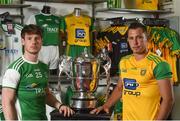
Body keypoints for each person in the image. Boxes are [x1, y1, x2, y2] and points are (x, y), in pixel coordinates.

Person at [90, 22, 174, 120]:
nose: (135, 42)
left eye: (139, 37)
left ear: (147, 38)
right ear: (128, 40)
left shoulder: (159, 64)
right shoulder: (124, 61)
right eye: (131, 38)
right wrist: (106, 106)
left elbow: (168, 100)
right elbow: (120, 88)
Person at [1, 24, 74, 120]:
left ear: (41, 41)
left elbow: (46, 94)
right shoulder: (15, 68)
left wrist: (60, 106)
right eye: (29, 38)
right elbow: (7, 102)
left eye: (37, 38)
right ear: (23, 41)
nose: (34, 42)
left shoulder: (43, 67)